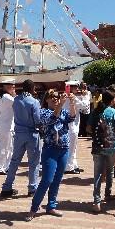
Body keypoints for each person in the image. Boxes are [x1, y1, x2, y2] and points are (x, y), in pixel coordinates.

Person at [25, 90, 76, 221]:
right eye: (52, 97)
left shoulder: (63, 111)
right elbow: (52, 119)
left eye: (57, 97)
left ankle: (51, 206)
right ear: (46, 99)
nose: (55, 99)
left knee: (57, 180)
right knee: (47, 180)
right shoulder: (43, 112)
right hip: (50, 150)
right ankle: (34, 208)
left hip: (63, 149)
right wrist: (61, 105)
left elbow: (72, 118)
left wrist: (72, 103)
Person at [1, 79, 41, 197]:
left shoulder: (16, 100)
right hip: (32, 133)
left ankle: (7, 187)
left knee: (14, 161)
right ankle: (32, 188)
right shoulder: (34, 102)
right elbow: (37, 120)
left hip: (18, 133)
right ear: (33, 89)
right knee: (33, 162)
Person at [88, 90, 115, 213]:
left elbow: (88, 128)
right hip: (111, 146)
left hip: (97, 146)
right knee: (109, 171)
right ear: (112, 100)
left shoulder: (95, 112)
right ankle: (108, 194)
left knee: (98, 174)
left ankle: (96, 201)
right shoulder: (114, 112)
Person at [63, 80, 90, 174]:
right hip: (71, 125)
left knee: (73, 147)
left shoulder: (70, 96)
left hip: (73, 124)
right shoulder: (71, 97)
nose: (77, 89)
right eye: (75, 87)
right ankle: (68, 167)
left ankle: (73, 165)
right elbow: (84, 106)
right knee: (71, 147)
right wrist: (86, 95)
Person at [0, 79, 16, 175]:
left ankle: (5, 166)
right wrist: (14, 94)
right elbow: (17, 103)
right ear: (6, 86)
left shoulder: (5, 96)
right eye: (12, 86)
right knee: (3, 147)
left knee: (9, 147)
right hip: (6, 125)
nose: (14, 88)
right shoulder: (6, 96)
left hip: (7, 125)